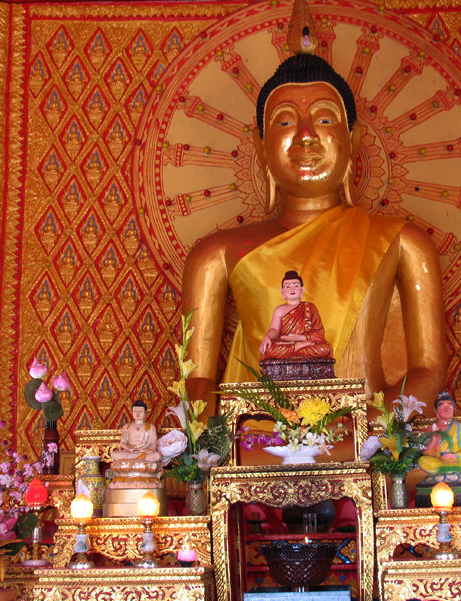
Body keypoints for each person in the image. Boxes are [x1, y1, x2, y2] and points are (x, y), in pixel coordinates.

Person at [181, 23, 446, 416]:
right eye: (285, 122)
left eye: (324, 120)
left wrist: (362, 430)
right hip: (258, 442)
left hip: (365, 437)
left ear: (352, 138)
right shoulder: (215, 254)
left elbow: (428, 369)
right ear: (261, 145)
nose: (305, 136)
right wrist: (230, 436)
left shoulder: (403, 241)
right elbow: (196, 380)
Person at [259, 270, 333, 360]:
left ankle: (297, 346)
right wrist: (267, 337)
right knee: (268, 349)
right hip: (286, 343)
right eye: (288, 286)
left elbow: (319, 333)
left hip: (304, 344)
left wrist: (302, 338)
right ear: (283, 292)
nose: (292, 289)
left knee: (324, 348)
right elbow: (274, 329)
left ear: (302, 290)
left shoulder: (310, 307)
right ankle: (298, 346)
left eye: (296, 285)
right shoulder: (279, 310)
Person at [417, 391, 461, 474]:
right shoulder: (432, 428)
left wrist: (454, 456)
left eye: (449, 405)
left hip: (458, 461)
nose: (446, 409)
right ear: (435, 410)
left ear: (454, 409)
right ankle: (453, 472)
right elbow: (426, 453)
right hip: (440, 461)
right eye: (442, 405)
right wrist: (434, 441)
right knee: (423, 461)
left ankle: (448, 471)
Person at [109, 400, 162, 487]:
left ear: (145, 413)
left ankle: (133, 462)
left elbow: (153, 443)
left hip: (144, 452)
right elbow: (123, 443)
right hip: (130, 452)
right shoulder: (127, 427)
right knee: (114, 454)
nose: (137, 414)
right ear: (132, 412)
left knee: (157, 455)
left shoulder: (150, 427)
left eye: (140, 411)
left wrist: (145, 450)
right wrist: (129, 449)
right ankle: (137, 460)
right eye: (135, 411)